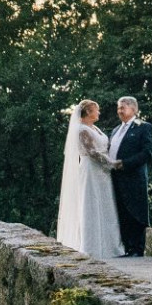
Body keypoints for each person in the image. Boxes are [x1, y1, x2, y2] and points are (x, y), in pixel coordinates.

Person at [55, 99, 125, 258]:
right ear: (88, 112)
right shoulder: (81, 130)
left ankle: (109, 246)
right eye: (96, 110)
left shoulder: (94, 128)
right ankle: (92, 247)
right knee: (92, 204)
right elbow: (93, 152)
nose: (99, 112)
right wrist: (112, 164)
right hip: (91, 170)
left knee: (106, 204)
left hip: (102, 172)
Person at [109, 96, 152, 257]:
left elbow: (147, 152)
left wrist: (126, 163)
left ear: (134, 109)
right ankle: (128, 248)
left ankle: (137, 248)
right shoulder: (115, 130)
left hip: (134, 178)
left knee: (135, 212)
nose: (120, 111)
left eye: (123, 107)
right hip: (116, 179)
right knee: (121, 212)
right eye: (118, 108)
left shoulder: (143, 127)